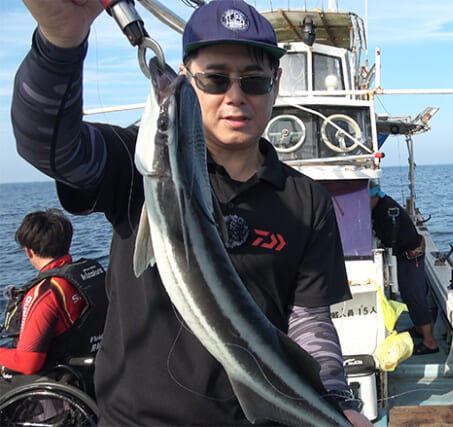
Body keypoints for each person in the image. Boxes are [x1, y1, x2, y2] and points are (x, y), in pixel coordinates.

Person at [12, 0, 371, 425]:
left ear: (275, 86)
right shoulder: (131, 164)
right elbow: (48, 145)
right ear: (188, 82)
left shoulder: (306, 200)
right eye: (216, 79)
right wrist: (60, 43)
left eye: (253, 82)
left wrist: (335, 397)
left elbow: (308, 319)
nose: (235, 97)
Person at [0, 209, 106, 396]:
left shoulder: (47, 292)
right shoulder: (89, 276)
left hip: (58, 385)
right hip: (93, 373)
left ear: (29, 251)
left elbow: (28, 362)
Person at [369, 185, 439, 355]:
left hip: (411, 257)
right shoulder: (380, 206)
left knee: (415, 297)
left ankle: (429, 342)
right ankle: (418, 328)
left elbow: (389, 239)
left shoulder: (387, 209)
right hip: (404, 256)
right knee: (408, 295)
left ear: (374, 197)